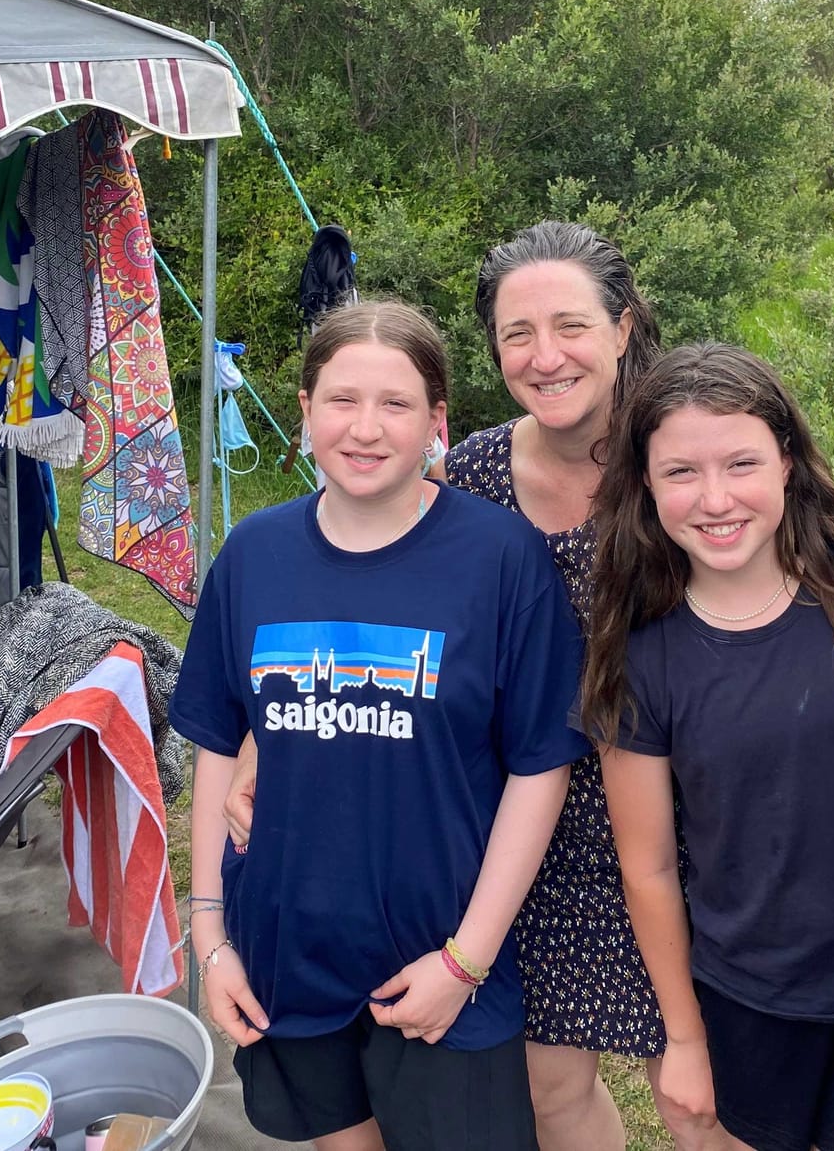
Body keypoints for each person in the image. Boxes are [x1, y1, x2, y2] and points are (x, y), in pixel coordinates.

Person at [227, 221, 735, 1151]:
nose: (546, 358)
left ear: (624, 328)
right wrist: (268, 732)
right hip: (511, 828)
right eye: (516, 334)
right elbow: (361, 603)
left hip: (683, 818)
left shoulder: (683, 461)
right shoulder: (474, 473)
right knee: (547, 1087)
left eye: (571, 326)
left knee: (702, 1094)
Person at [169, 299, 587, 1151]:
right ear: (304, 411)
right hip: (286, 952)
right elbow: (217, 746)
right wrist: (211, 938)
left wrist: (465, 961)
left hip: (438, 965)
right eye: (341, 400)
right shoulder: (253, 555)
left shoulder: (502, 559)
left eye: (395, 404)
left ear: (437, 421)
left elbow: (541, 768)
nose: (365, 429)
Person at [583, 342, 834, 1151]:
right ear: (643, 485)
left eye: (740, 463)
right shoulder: (641, 649)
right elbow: (650, 865)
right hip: (745, 1003)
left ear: (787, 462)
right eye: (680, 473)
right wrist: (685, 1039)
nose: (714, 499)